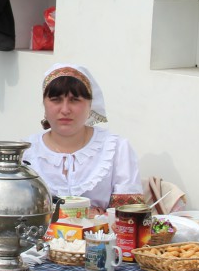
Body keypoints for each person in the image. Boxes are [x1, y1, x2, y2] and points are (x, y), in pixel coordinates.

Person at [22, 63, 145, 212]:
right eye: (56, 99)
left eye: (75, 100)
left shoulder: (116, 148)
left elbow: (128, 217)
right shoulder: (26, 151)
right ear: (44, 103)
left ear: (90, 104)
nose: (65, 110)